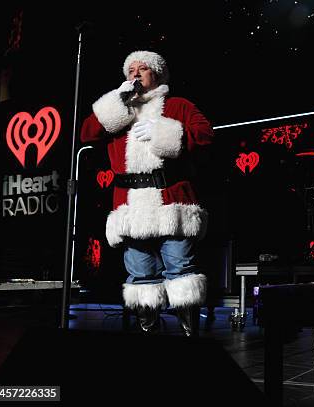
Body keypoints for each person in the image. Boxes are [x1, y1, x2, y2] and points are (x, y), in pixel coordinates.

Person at [80, 50, 214, 336]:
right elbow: (87, 133)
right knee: (140, 274)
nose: (136, 74)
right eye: (131, 70)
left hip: (170, 200)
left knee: (180, 268)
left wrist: (164, 131)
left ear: (158, 74)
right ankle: (148, 331)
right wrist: (116, 101)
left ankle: (190, 332)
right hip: (132, 204)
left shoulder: (178, 105)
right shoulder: (120, 112)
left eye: (143, 69)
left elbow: (205, 135)